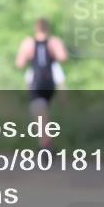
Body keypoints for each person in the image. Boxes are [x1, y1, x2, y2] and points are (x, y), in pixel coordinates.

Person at [15, 18, 68, 150]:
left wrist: (28, 54)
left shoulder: (29, 43)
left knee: (38, 110)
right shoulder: (54, 42)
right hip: (50, 83)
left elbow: (19, 63)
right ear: (48, 28)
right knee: (42, 111)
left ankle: (45, 143)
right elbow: (63, 57)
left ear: (35, 28)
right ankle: (45, 142)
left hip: (36, 82)